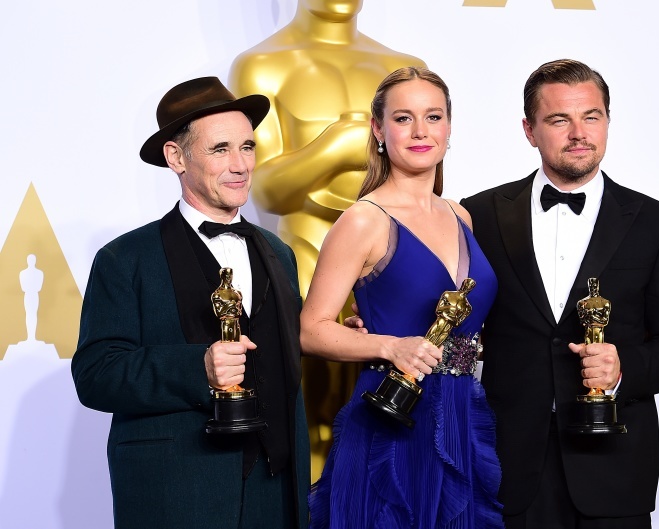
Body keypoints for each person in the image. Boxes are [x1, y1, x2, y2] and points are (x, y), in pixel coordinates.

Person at [461, 59, 659, 528]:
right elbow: (453, 312)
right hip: (507, 468)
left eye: (591, 117)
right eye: (558, 120)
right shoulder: (480, 214)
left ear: (608, 121)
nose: (578, 133)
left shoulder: (655, 222)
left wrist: (622, 369)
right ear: (529, 130)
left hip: (613, 469)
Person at [71, 77, 310, 529]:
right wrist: (196, 368)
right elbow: (95, 374)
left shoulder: (279, 253)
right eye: (220, 149)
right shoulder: (125, 259)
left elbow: (281, 354)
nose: (241, 165)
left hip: (274, 490)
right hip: (175, 490)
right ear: (176, 158)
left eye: (247, 147)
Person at [229, 0, 427, 475]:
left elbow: (426, 179)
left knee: (404, 408)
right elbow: (266, 189)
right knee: (315, 417)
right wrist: (335, 147)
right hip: (308, 246)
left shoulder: (406, 68)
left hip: (396, 253)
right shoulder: (263, 65)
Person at [300, 67, 502, 528]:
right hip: (393, 414)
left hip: (461, 413)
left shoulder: (460, 215)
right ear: (378, 129)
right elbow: (310, 330)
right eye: (403, 118)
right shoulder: (364, 220)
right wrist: (389, 345)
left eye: (433, 117)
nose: (420, 131)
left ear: (449, 127)